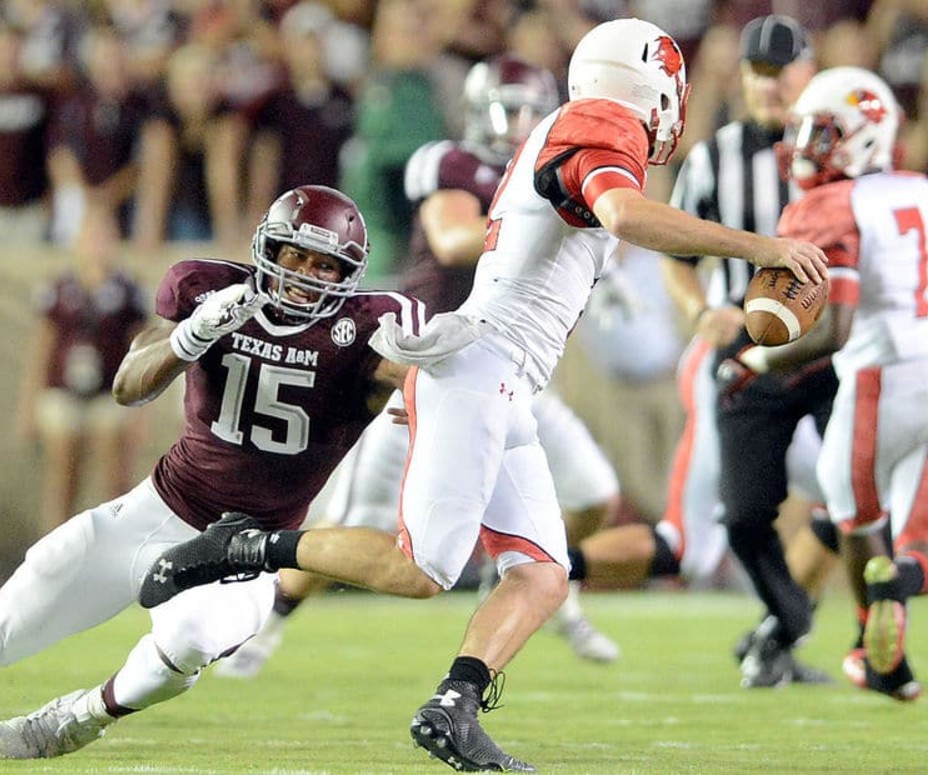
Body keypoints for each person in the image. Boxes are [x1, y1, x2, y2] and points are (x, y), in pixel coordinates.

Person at [138, 18, 828, 772]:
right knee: (420, 569)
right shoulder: (606, 118)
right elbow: (624, 214)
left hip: (504, 378)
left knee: (541, 573)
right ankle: (238, 545)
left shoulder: (583, 124)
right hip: (481, 367)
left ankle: (454, 707)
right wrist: (762, 246)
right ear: (646, 84)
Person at [0, 185, 427, 759]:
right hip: (154, 510)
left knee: (190, 637)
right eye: (295, 255)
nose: (306, 274)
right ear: (268, 249)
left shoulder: (369, 328)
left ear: (349, 275)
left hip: (247, 549)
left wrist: (421, 396)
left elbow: (434, 378)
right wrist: (189, 337)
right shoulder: (208, 288)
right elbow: (129, 386)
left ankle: (81, 716)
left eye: (324, 264)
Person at [215, 54, 620, 680]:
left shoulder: (559, 174)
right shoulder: (456, 164)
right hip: (433, 364)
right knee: (363, 523)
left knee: (593, 492)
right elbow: (454, 237)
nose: (518, 123)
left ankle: (548, 591)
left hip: (515, 371)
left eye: (530, 110)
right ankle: (266, 625)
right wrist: (547, 224)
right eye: (507, 107)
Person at [722, 66, 926, 701]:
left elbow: (833, 331)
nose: (806, 147)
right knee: (913, 532)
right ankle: (887, 657)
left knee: (852, 509)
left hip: (880, 376)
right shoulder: (919, 189)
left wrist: (752, 360)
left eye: (824, 133)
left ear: (866, 135)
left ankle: (879, 616)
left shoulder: (834, 204)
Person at [656, 14, 842, 688]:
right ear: (743, 78)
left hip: (832, 355)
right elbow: (678, 260)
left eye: (781, 68)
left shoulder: (841, 155)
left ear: (809, 71)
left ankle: (859, 630)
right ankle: (784, 626)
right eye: (758, 70)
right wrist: (702, 309)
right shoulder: (715, 158)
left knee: (861, 491)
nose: (770, 83)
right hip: (749, 355)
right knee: (739, 516)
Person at [16, 205, 150, 535]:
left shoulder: (129, 290)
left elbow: (144, 354)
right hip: (63, 390)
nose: (97, 244)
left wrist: (142, 412)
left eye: (105, 236)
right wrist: (28, 405)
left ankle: (117, 547)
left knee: (115, 473)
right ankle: (56, 549)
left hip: (112, 393)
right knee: (63, 468)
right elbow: (42, 350)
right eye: (91, 236)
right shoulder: (58, 289)